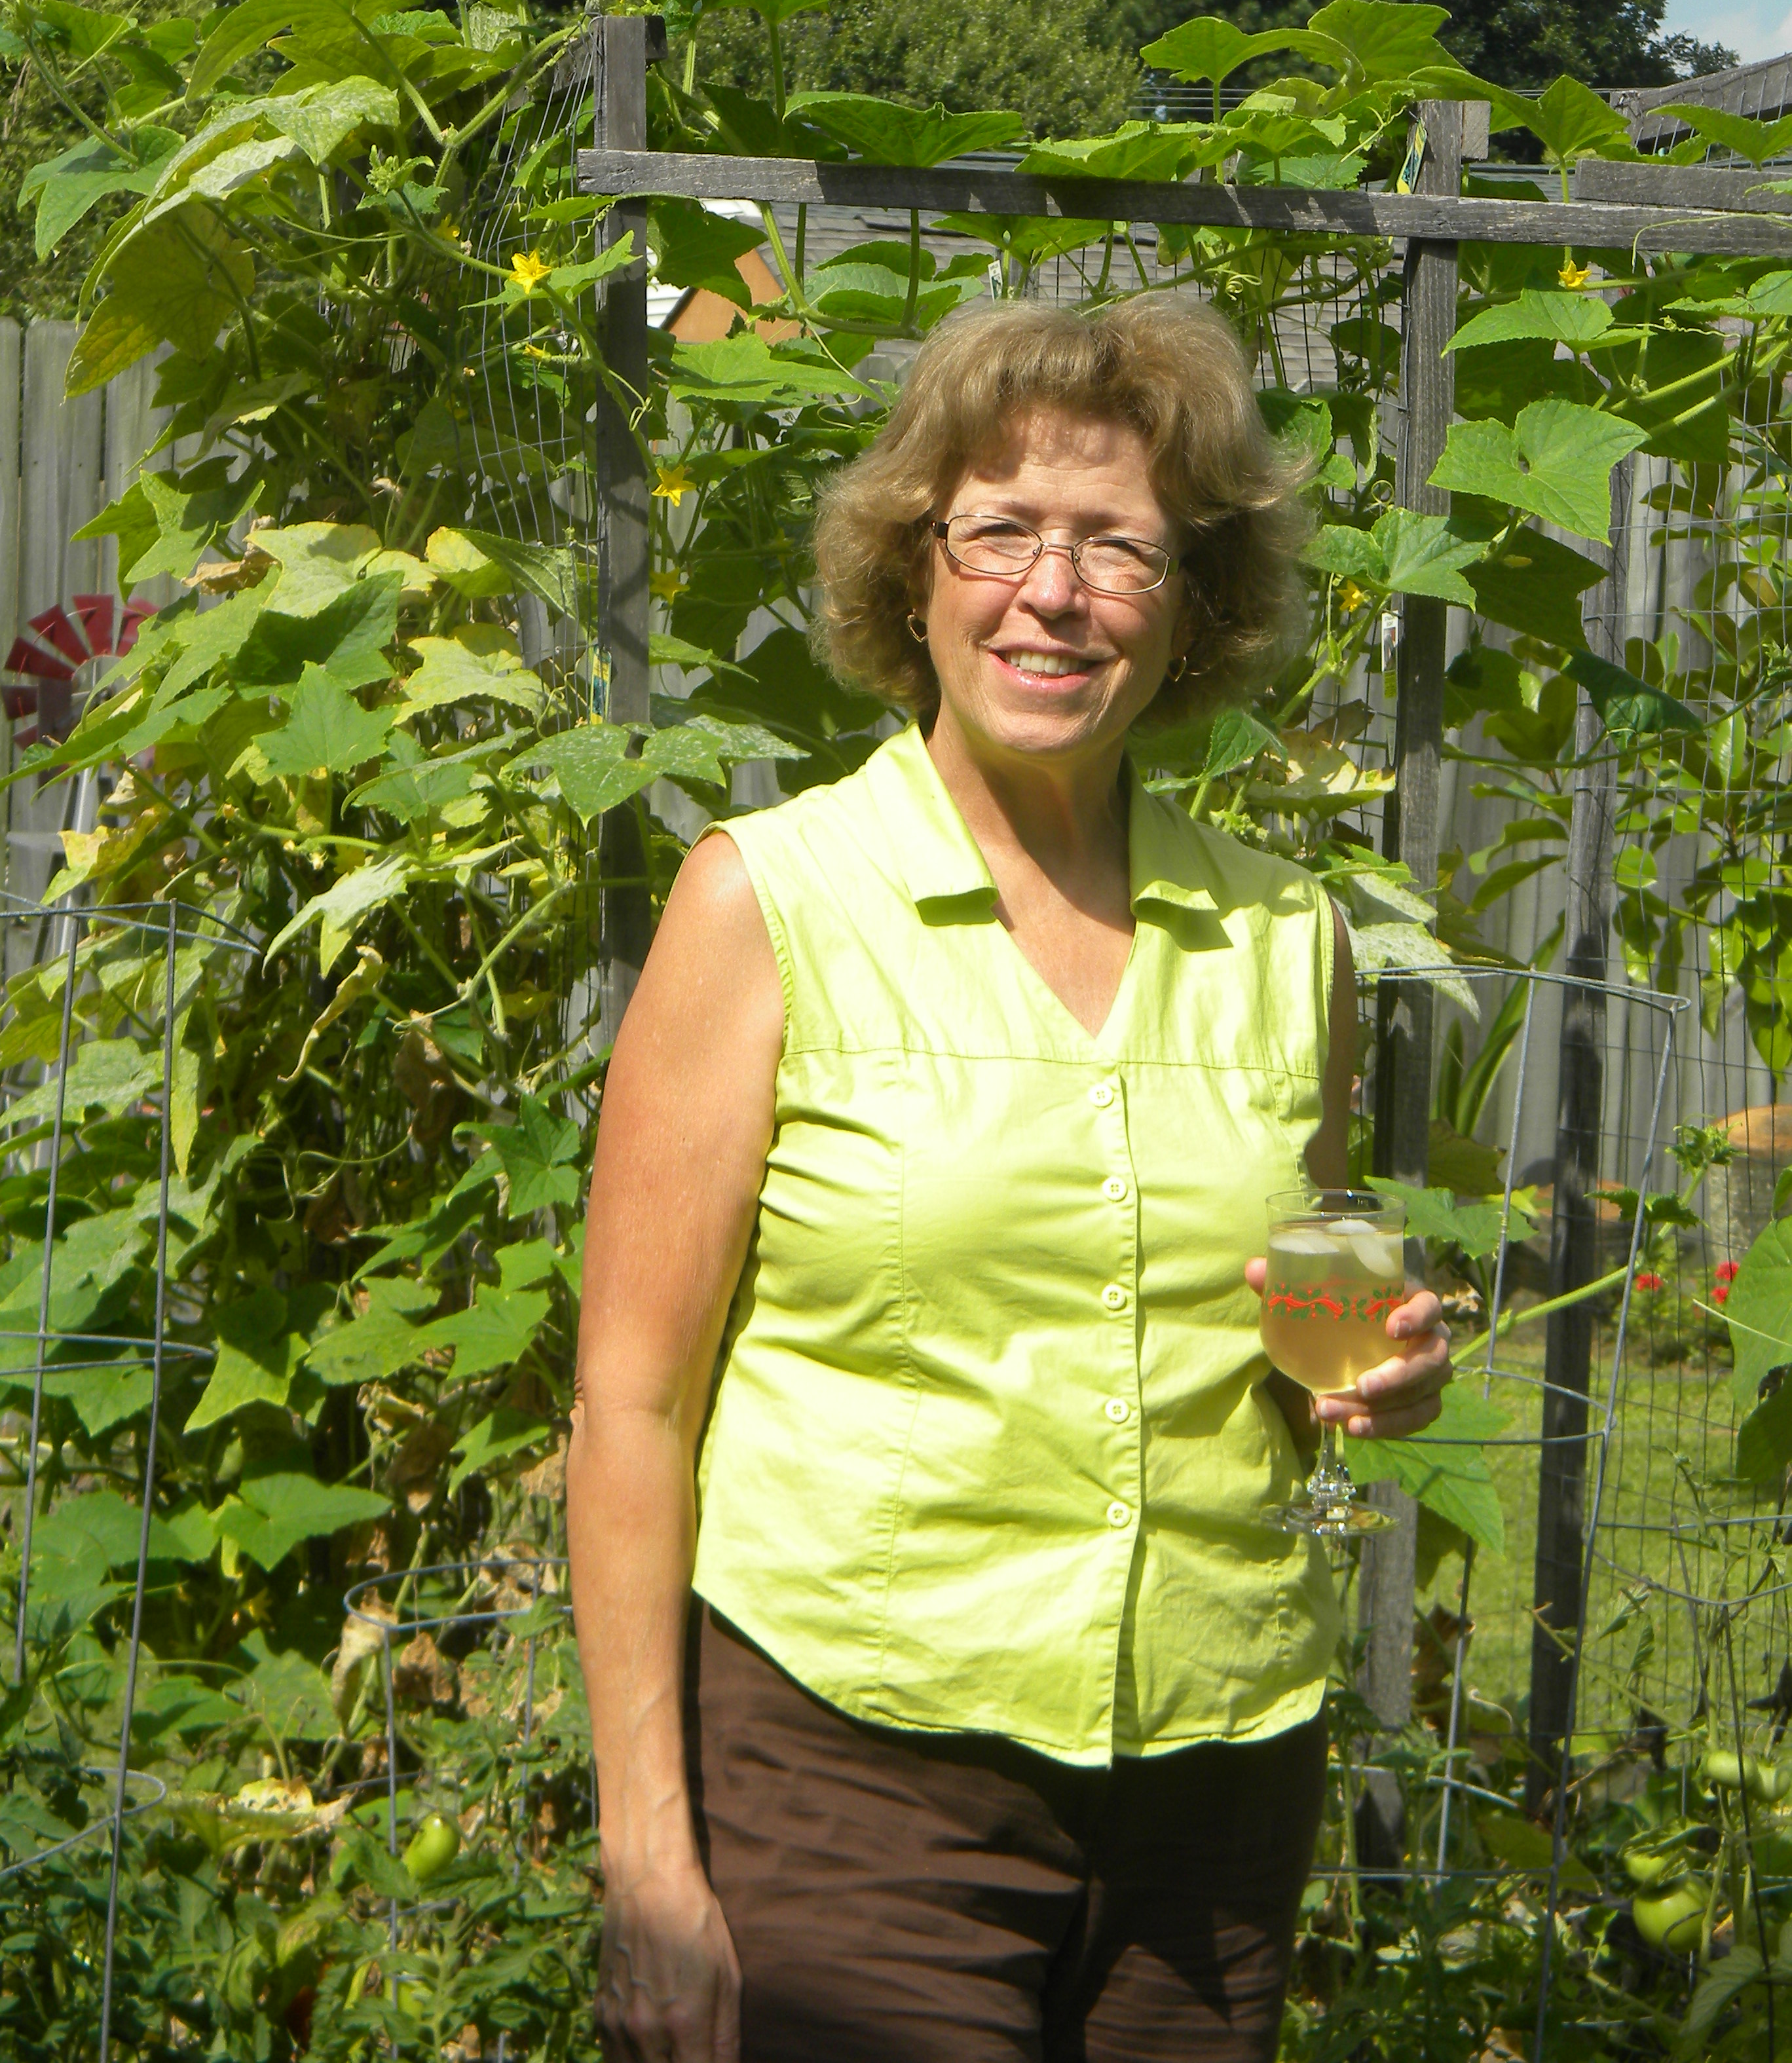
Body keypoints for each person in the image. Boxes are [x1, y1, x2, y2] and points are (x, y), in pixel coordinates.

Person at [567, 293, 1451, 2063]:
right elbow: (629, 1404)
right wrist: (651, 1856)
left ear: (1190, 606)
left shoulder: (1289, 940)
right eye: (1001, 533)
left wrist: (1382, 1380)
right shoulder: (772, 901)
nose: (1054, 593)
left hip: (1212, 1789)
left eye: (1119, 549)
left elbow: (1302, 1334)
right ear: (918, 572)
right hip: (854, 1778)